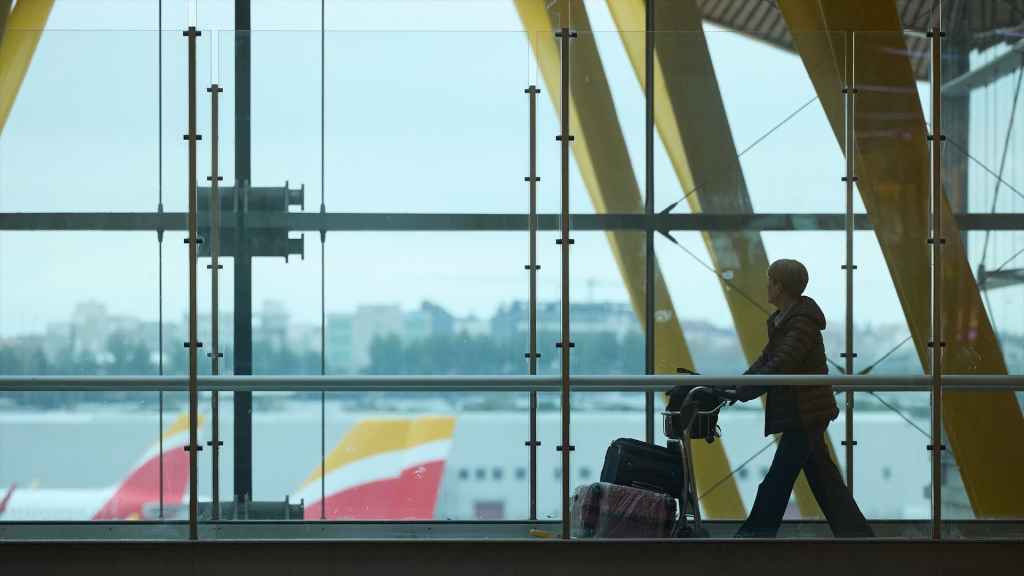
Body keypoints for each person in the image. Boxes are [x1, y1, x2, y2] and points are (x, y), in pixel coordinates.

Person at [731, 259, 873, 538]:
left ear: (781, 287)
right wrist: (738, 387)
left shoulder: (801, 323)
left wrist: (742, 391)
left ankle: (755, 536)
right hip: (803, 411)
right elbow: (766, 361)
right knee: (824, 480)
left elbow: (781, 363)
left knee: (778, 478)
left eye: (770, 281)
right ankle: (858, 538)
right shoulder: (784, 320)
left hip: (806, 412)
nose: (767, 286)